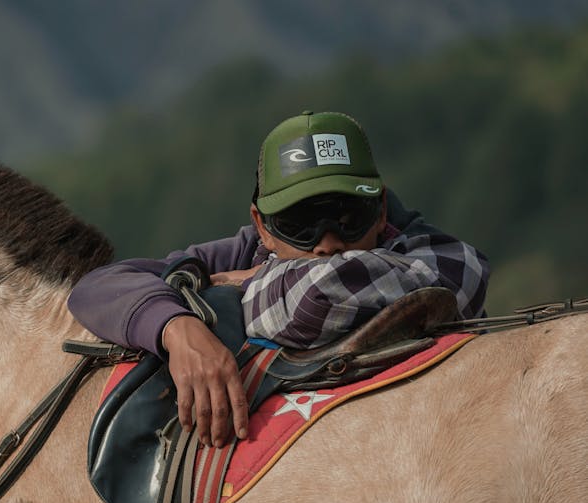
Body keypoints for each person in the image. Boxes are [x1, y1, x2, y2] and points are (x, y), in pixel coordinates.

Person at [68, 111, 489, 448]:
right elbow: (95, 288)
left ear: (380, 211)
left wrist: (242, 288)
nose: (326, 244)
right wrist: (177, 329)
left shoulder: (429, 250)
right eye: (300, 224)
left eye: (346, 218)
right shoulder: (242, 249)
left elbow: (324, 290)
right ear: (262, 226)